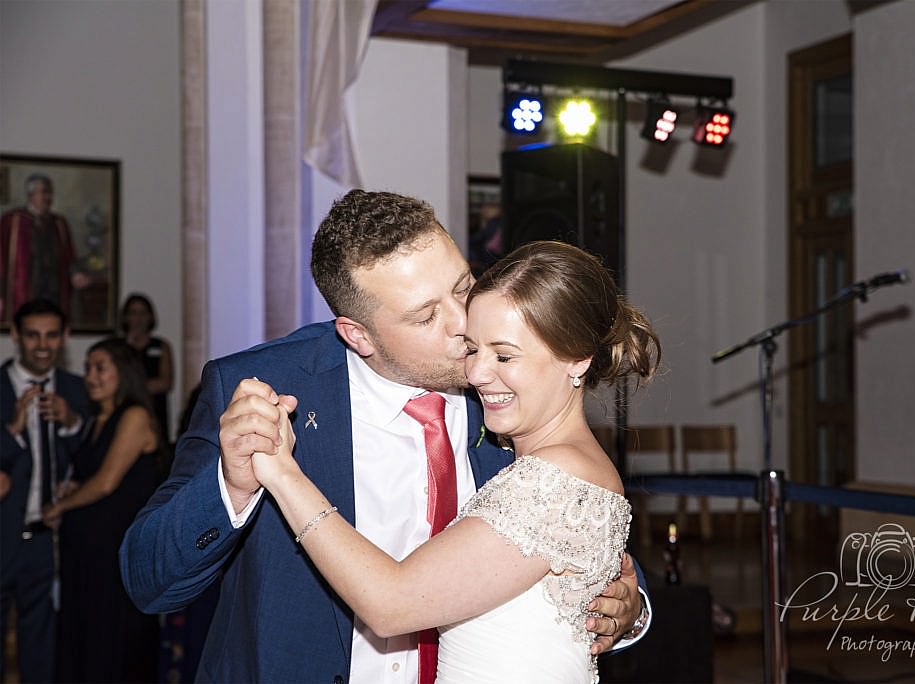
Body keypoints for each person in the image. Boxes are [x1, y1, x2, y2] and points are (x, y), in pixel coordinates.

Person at [120, 190, 650, 683]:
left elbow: (575, 524)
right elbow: (149, 580)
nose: (463, 326)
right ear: (357, 334)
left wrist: (630, 609)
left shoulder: (511, 385)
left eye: (463, 288)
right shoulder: (266, 387)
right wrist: (231, 486)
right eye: (425, 316)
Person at [254, 240, 660, 683]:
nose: (478, 373)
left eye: (504, 355)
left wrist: (281, 472)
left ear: (577, 359)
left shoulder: (558, 480)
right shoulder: (552, 462)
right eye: (473, 348)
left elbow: (391, 604)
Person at [44, 337, 161, 682]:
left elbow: (107, 482)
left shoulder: (135, 415)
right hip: (86, 553)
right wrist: (75, 489)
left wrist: (57, 506)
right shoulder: (97, 419)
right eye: (87, 369)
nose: (90, 376)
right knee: (83, 637)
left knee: (111, 639)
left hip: (114, 550)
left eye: (100, 368)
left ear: (122, 373)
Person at [0, 298, 88, 683]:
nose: (41, 345)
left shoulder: (77, 389)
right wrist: (12, 431)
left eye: (51, 336)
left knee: (43, 645)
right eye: (33, 335)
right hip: (2, 533)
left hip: (48, 539)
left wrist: (71, 423)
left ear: (64, 337)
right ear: (15, 336)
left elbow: (93, 459)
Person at [0, 174, 87, 324]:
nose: (48, 197)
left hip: (53, 292)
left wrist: (76, 273)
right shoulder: (12, 221)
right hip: (23, 292)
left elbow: (69, 255)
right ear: (31, 195)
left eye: (50, 193)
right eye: (44, 192)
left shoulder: (59, 223)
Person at [120, 292, 175, 442]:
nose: (138, 318)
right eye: (133, 313)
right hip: (125, 409)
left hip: (155, 410)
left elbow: (165, 383)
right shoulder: (119, 348)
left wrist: (134, 387)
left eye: (143, 313)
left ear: (150, 316)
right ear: (126, 317)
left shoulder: (161, 346)